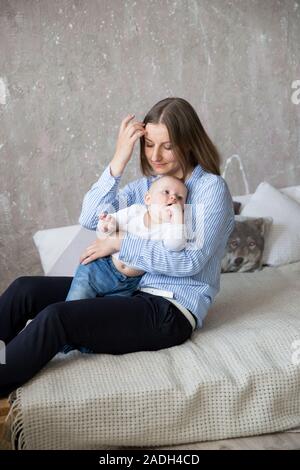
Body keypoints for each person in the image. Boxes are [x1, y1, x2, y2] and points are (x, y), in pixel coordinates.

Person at [0, 97, 235, 397]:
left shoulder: (210, 190)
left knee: (57, 317)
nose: (156, 156)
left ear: (188, 142)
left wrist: (120, 242)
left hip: (169, 309)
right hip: (129, 289)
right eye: (149, 144)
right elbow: (88, 218)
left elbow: (190, 263)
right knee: (24, 290)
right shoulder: (146, 188)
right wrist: (118, 160)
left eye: (167, 145)